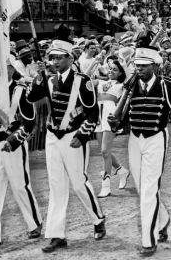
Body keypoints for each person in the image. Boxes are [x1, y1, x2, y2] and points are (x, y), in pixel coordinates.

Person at [108, 40, 171, 257]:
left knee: (149, 189)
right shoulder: (132, 84)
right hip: (135, 139)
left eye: (144, 64)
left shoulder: (168, 85)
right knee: (142, 187)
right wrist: (118, 123)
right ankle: (163, 220)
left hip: (156, 138)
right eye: (137, 64)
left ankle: (149, 239)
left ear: (154, 65)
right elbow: (128, 110)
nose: (140, 68)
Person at [27, 39, 106, 253]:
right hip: (53, 136)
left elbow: (92, 112)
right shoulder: (49, 81)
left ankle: (98, 219)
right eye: (52, 57)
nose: (55, 61)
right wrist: (38, 77)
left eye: (59, 57)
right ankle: (56, 235)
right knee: (56, 185)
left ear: (70, 59)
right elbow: (32, 96)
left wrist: (82, 135)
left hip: (73, 136)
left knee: (79, 183)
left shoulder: (82, 81)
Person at [0, 62, 42, 250]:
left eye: (5, 67)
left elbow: (29, 122)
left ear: (12, 69)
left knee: (20, 186)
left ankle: (34, 223)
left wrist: (13, 141)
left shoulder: (20, 90)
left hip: (12, 143)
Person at [94, 60, 130, 198]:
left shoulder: (122, 86)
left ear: (121, 72)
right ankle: (121, 171)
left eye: (115, 69)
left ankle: (106, 186)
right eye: (110, 69)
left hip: (110, 116)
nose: (111, 71)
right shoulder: (100, 83)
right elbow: (84, 78)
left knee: (104, 150)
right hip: (98, 116)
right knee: (104, 151)